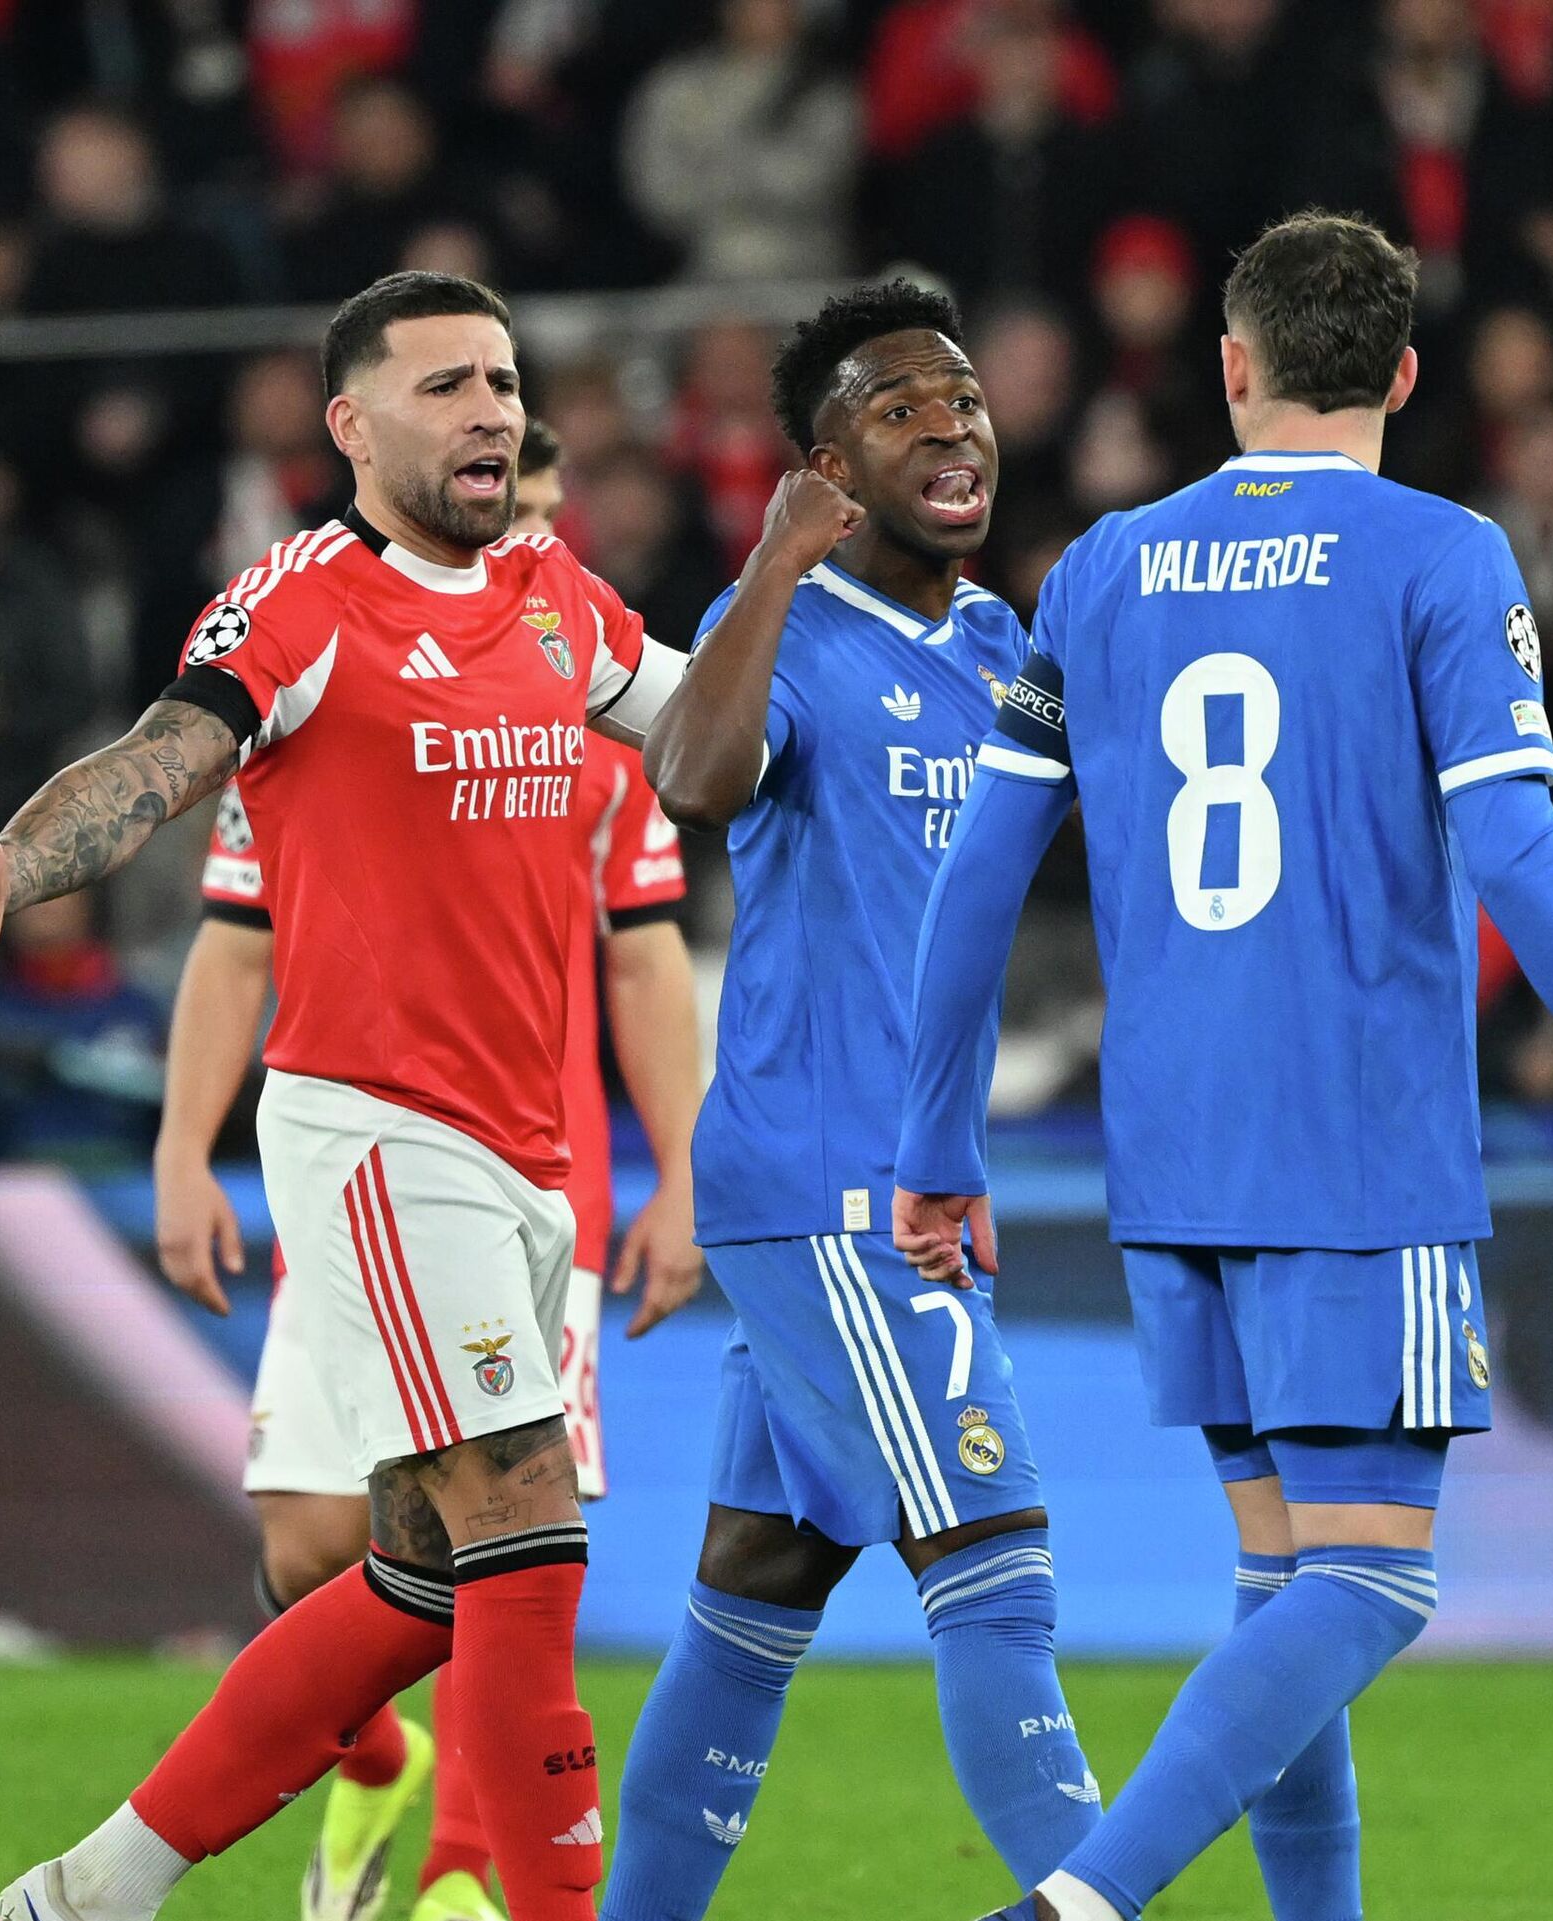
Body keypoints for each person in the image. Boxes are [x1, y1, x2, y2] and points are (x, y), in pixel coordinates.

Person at [890, 212, 1553, 1921]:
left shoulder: (1103, 568)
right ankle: (1075, 1903)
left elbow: (978, 874)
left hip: (1172, 1152)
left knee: (1286, 1578)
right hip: (1356, 1146)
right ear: (1405, 374)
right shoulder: (1444, 555)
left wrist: (935, 1142)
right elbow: (1518, 852)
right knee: (1372, 1582)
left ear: (1232, 366)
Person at [0, 269, 689, 1921]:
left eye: (503, 380)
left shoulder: (553, 594)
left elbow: (702, 725)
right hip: (379, 1127)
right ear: (350, 424)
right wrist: (22, 865)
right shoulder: (298, 604)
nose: (491, 410)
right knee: (526, 1520)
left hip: (529, 1149)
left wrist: (798, 590)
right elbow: (161, 755)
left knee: (419, 1577)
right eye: (447, 385)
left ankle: (88, 1891)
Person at [151, 420, 703, 1921]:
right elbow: (236, 941)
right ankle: (357, 1756)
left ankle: (465, 1878)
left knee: (506, 1546)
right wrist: (184, 1147)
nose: (518, 538)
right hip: (366, 1165)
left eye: (539, 511)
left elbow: (646, 960)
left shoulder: (595, 708)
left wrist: (684, 1169)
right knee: (316, 1541)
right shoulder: (320, 695)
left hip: (539, 1182)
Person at [601, 282, 1102, 1921]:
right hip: (829, 1181)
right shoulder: (793, 630)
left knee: (753, 1592)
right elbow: (691, 780)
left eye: (964, 400)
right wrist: (770, 563)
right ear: (826, 466)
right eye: (900, 408)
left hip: (904, 1178)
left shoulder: (1005, 648)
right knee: (994, 1562)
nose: (952, 427)